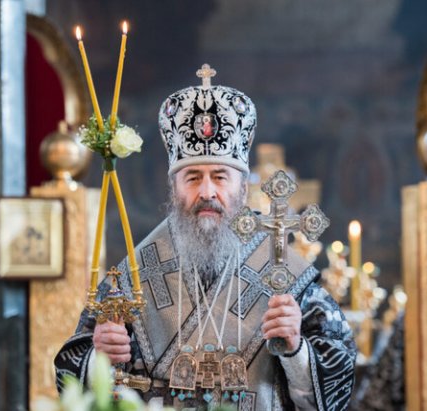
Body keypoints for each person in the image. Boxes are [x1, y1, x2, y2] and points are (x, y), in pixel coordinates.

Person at [55, 67, 356, 410]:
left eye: (220, 177)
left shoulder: (287, 276)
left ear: (243, 187)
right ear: (174, 186)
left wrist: (296, 349)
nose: (207, 191)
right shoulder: (134, 277)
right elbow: (73, 385)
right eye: (193, 177)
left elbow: (335, 393)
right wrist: (101, 357)